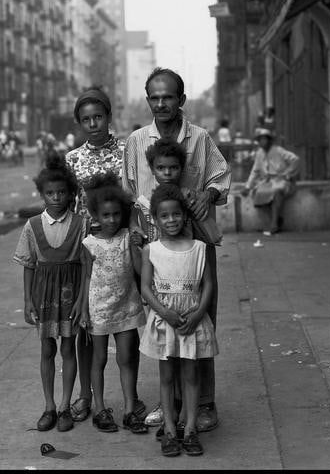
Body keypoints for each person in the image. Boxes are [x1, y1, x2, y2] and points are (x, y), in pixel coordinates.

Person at [122, 66, 231, 432]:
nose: (161, 103)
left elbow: (221, 175)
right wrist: (135, 235)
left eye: (168, 96)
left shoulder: (199, 138)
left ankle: (204, 404)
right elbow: (128, 190)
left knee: (201, 320)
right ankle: (170, 402)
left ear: (181, 100)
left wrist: (208, 194)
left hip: (196, 244)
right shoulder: (137, 141)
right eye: (154, 97)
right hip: (155, 246)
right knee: (162, 320)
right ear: (148, 100)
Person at [65, 87, 146, 424]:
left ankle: (132, 399)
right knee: (88, 324)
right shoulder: (73, 158)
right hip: (87, 245)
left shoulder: (128, 150)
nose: (93, 124)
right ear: (79, 123)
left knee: (127, 318)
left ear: (109, 117)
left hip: (123, 241)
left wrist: (136, 235)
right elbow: (71, 205)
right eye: (86, 120)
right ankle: (87, 396)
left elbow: (137, 194)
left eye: (98, 117)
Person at [140, 183, 218, 457]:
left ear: (184, 216)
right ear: (155, 219)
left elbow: (208, 285)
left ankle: (190, 429)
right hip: (166, 320)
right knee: (166, 376)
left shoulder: (199, 248)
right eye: (164, 216)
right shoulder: (151, 250)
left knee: (191, 374)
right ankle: (170, 430)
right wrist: (165, 313)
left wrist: (198, 314)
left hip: (192, 319)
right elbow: (146, 289)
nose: (171, 220)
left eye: (176, 214)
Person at [12, 154, 85, 433]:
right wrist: (27, 300)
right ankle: (49, 406)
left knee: (68, 348)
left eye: (62, 192)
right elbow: (28, 265)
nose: (56, 198)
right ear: (42, 194)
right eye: (50, 193)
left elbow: (86, 264)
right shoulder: (32, 226)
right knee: (46, 348)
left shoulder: (80, 224)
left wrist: (81, 301)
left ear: (71, 194)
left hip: (71, 293)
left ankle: (66, 406)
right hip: (43, 295)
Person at [79, 171, 148, 435]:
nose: (112, 220)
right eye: (106, 215)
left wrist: (136, 245)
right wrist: (84, 310)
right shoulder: (89, 244)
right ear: (95, 215)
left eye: (116, 214)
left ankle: (130, 409)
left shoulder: (127, 238)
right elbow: (86, 279)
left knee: (127, 357)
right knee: (98, 359)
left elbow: (140, 269)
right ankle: (99, 408)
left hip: (127, 305)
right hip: (99, 309)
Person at [131, 138, 222, 248]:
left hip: (187, 257)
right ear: (152, 169)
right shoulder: (145, 203)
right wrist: (141, 241)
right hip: (158, 261)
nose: (167, 173)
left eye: (173, 167)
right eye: (160, 168)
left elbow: (213, 236)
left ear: (182, 168)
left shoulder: (189, 197)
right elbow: (148, 238)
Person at [240, 127, 300, 236]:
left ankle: (274, 225)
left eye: (264, 139)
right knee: (257, 194)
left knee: (277, 191)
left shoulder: (278, 150)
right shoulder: (259, 153)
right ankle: (277, 219)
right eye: (260, 140)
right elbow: (255, 171)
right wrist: (248, 186)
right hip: (267, 182)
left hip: (281, 180)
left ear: (269, 140)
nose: (262, 142)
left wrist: (288, 173)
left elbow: (295, 159)